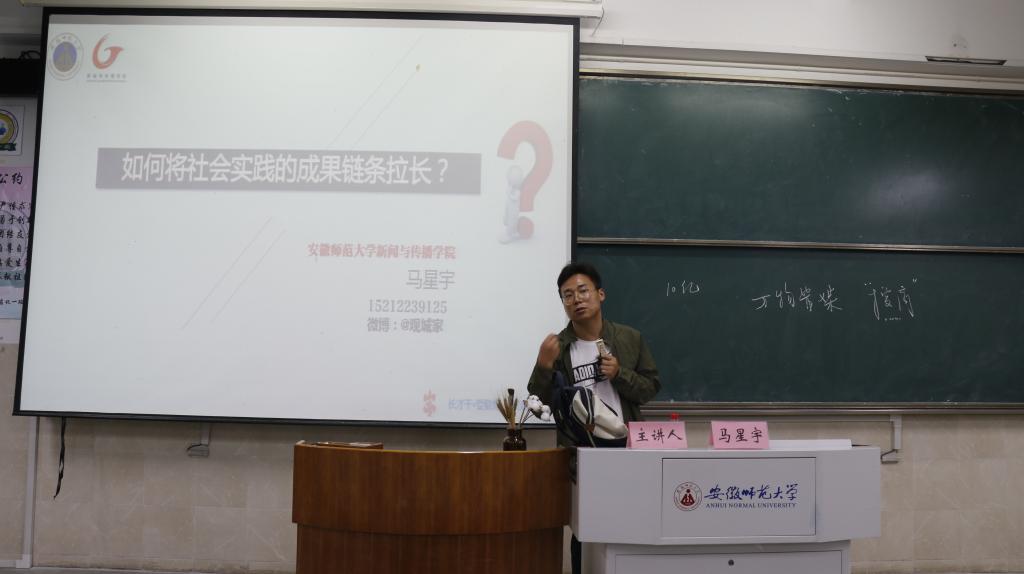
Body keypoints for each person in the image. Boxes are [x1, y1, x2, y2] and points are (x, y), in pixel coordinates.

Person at [526, 262, 660, 574]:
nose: (576, 299)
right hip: (582, 456)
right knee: (584, 532)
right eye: (567, 295)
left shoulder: (629, 338)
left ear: (600, 294)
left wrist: (619, 374)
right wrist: (543, 366)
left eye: (583, 291)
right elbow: (539, 401)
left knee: (630, 526)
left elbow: (650, 388)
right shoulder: (559, 347)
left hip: (627, 451)